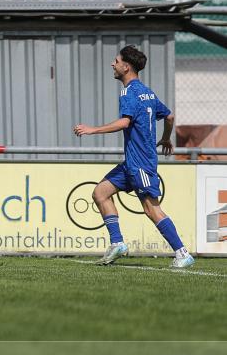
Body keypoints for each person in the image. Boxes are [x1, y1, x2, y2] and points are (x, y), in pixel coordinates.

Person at [74, 45, 194, 268]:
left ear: (126, 66)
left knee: (152, 209)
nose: (113, 64)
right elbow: (169, 116)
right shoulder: (147, 92)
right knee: (100, 193)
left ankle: (182, 253)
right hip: (132, 162)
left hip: (141, 164)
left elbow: (124, 122)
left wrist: (92, 129)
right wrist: (167, 138)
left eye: (116, 61)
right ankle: (117, 243)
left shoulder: (128, 92)